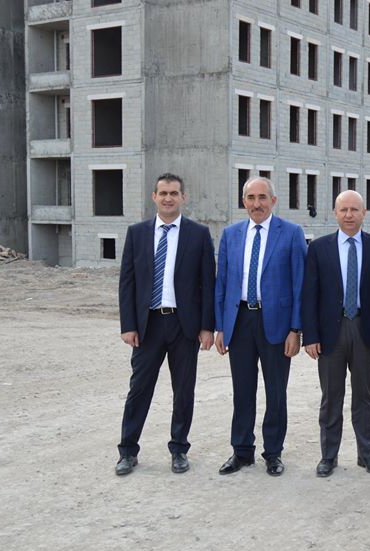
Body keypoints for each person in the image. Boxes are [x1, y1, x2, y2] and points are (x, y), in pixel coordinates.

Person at [116, 173, 215, 475]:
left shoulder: (198, 234)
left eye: (174, 193)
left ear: (183, 197)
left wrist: (207, 327)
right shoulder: (137, 233)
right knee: (139, 389)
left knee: (183, 391)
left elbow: (207, 284)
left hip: (184, 326)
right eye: (163, 193)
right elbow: (127, 282)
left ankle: (179, 449)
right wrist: (128, 325)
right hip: (148, 325)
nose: (168, 198)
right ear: (154, 197)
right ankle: (127, 451)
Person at [214, 177, 307, 477]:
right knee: (242, 390)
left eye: (262, 197)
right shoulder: (231, 235)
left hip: (277, 323)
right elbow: (222, 283)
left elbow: (300, 284)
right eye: (251, 198)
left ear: (273, 201)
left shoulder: (291, 233)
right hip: (240, 320)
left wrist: (296, 329)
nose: (257, 204)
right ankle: (242, 451)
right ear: (244, 201)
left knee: (275, 392)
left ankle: (273, 453)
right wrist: (220, 327)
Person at [301, 190, 370, 477]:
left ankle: (366, 454)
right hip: (331, 331)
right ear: (335, 213)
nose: (349, 215)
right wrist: (310, 336)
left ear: (364, 213)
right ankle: (329, 456)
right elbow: (309, 295)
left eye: (354, 210)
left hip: (365, 329)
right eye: (344, 210)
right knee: (331, 396)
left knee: (364, 395)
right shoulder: (319, 248)